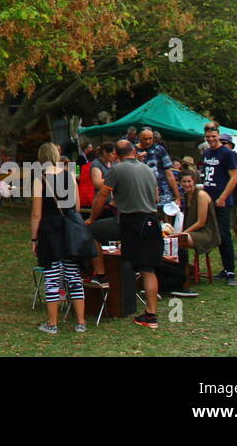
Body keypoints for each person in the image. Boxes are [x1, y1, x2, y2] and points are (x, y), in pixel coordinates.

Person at [89, 140, 163, 329]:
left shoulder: (117, 169)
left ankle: (101, 274)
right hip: (152, 221)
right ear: (133, 151)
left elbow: (102, 196)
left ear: (118, 155)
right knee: (148, 269)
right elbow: (155, 198)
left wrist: (91, 218)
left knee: (92, 231)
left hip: (130, 223)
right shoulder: (147, 169)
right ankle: (151, 315)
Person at [30, 142, 86, 334]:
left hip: (49, 231)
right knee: (74, 276)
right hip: (69, 229)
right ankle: (80, 322)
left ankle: (52, 323)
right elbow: (77, 207)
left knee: (52, 277)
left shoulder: (40, 179)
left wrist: (33, 239)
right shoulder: (70, 175)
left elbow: (37, 214)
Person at [201, 124, 237, 284]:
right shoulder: (206, 153)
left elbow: (234, 178)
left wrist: (223, 197)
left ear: (219, 136)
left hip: (222, 201)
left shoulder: (227, 153)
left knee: (224, 235)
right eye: (208, 137)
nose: (211, 139)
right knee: (212, 234)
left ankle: (230, 271)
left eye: (214, 136)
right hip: (208, 199)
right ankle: (224, 269)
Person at [174, 170, 220, 275]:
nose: (186, 184)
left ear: (194, 181)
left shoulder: (201, 195)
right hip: (194, 231)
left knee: (181, 239)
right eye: (184, 182)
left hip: (206, 233)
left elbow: (201, 222)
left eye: (189, 181)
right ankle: (183, 268)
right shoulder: (186, 195)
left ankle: (183, 272)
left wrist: (183, 233)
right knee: (173, 240)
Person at [137, 129, 179, 207]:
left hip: (162, 190)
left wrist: (177, 196)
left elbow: (169, 174)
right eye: (145, 139)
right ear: (139, 138)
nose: (148, 141)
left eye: (150, 138)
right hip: (142, 192)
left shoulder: (160, 149)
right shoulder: (133, 150)